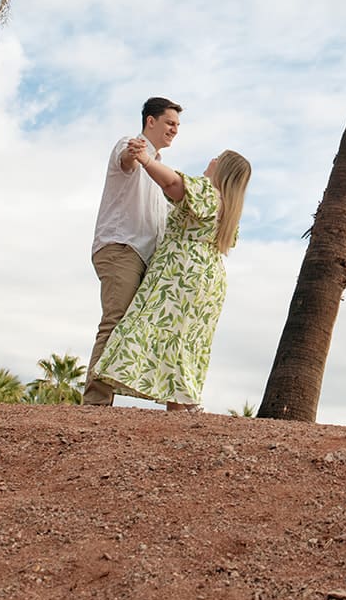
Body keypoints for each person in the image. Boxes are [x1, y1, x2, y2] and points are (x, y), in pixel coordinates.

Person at [93, 149, 252, 410]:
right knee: (184, 341)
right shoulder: (229, 208)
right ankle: (180, 405)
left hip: (182, 271)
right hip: (209, 281)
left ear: (223, 169)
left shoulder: (206, 192)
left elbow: (172, 183)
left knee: (152, 328)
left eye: (217, 158)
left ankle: (109, 386)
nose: (210, 160)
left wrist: (145, 159)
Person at [83, 97, 182, 406]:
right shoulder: (130, 145)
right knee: (115, 321)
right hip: (121, 247)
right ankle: (95, 404)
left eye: (178, 126)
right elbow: (126, 160)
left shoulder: (157, 169)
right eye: (169, 123)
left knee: (132, 326)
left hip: (143, 257)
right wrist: (135, 154)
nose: (174, 130)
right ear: (150, 121)